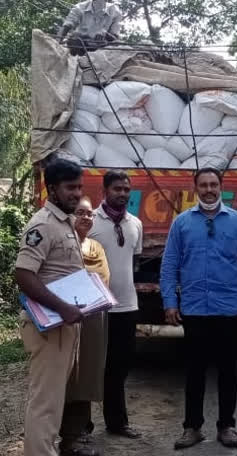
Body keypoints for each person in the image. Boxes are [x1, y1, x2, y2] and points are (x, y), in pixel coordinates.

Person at [160, 167, 237, 450]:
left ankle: (227, 426)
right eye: (203, 185)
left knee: (229, 371)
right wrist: (170, 302)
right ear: (196, 189)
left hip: (228, 309)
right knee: (194, 371)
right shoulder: (181, 223)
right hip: (194, 309)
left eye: (213, 184)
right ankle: (192, 428)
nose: (208, 189)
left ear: (221, 187)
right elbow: (169, 266)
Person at [15, 159, 86, 456]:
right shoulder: (42, 225)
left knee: (55, 403)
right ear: (51, 188)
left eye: (79, 187)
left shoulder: (65, 223)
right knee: (44, 405)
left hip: (64, 326)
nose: (77, 194)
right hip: (50, 327)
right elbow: (24, 275)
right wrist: (63, 307)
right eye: (70, 188)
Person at [89, 170, 144, 439]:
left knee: (119, 367)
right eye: (116, 189)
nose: (122, 194)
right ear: (104, 191)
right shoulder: (90, 223)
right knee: (89, 366)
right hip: (95, 308)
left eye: (126, 189)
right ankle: (82, 428)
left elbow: (132, 262)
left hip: (127, 306)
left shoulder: (136, 224)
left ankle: (117, 423)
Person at [59, 197, 111, 456]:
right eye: (80, 212)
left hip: (93, 319)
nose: (86, 218)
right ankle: (65, 437)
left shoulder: (96, 247)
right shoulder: (61, 245)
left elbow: (102, 280)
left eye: (90, 214)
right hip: (64, 319)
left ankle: (79, 433)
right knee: (65, 378)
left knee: (86, 376)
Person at [58, 0, 122, 51]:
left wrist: (106, 34)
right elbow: (67, 25)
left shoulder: (116, 12)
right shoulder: (79, 7)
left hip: (101, 49)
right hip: (78, 45)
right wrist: (56, 43)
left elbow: (115, 39)